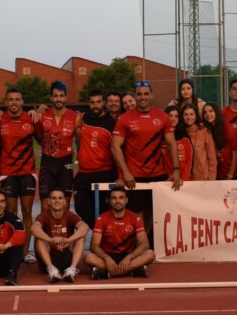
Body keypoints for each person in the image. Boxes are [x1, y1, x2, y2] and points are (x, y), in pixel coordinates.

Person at [111, 81, 183, 240]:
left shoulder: (162, 117)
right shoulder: (124, 118)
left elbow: (171, 144)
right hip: (134, 176)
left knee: (154, 212)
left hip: (158, 174)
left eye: (145, 93)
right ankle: (140, 245)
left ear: (151, 95)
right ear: (135, 96)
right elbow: (115, 147)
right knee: (137, 214)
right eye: (139, 94)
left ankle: (149, 243)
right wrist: (126, 172)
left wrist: (176, 170)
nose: (142, 97)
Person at [0, 88, 40, 264]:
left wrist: (39, 113)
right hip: (8, 173)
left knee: (27, 211)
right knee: (10, 212)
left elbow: (43, 140)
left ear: (22, 102)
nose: (14, 102)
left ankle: (25, 251)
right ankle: (11, 249)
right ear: (6, 102)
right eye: (10, 99)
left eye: (17, 99)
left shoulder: (30, 119)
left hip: (27, 172)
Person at [85, 189, 155, 280]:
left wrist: (130, 256)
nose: (118, 201)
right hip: (108, 256)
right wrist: (106, 258)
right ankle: (132, 271)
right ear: (110, 201)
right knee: (88, 258)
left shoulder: (135, 218)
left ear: (126, 200)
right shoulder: (102, 218)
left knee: (150, 254)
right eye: (114, 198)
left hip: (128, 256)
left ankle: (107, 273)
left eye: (121, 198)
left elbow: (144, 244)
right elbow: (94, 245)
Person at [73, 90, 117, 226]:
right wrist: (41, 109)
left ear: (104, 102)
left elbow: (117, 149)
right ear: (88, 103)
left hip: (104, 172)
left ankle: (103, 233)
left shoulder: (112, 123)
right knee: (80, 206)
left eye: (98, 102)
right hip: (84, 173)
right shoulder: (82, 118)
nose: (95, 105)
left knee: (104, 209)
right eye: (92, 102)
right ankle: (100, 231)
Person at [33, 189, 88, 283]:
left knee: (81, 237)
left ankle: (71, 269)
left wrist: (69, 240)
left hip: (66, 256)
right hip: (50, 256)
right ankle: (51, 269)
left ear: (64, 201)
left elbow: (84, 227)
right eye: (54, 198)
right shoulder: (44, 215)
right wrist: (50, 240)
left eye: (60, 198)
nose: (57, 201)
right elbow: (34, 228)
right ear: (49, 201)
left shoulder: (70, 215)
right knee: (38, 239)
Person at [37, 81, 78, 205]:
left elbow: (81, 141)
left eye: (61, 96)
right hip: (47, 162)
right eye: (55, 96)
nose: (58, 99)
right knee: (46, 204)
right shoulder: (42, 115)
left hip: (66, 163)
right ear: (51, 98)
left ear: (65, 97)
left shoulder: (75, 117)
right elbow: (37, 137)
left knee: (65, 204)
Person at [176, 105, 216, 181]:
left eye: (191, 114)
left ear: (196, 116)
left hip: (203, 178)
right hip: (184, 178)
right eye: (186, 115)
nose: (189, 117)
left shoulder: (204, 131)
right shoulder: (179, 133)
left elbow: (212, 158)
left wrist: (211, 179)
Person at [202, 103, 237, 180]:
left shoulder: (228, 128)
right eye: (205, 112)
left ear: (217, 112)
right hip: (217, 174)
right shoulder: (206, 130)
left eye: (210, 111)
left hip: (233, 175)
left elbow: (235, 154)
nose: (207, 114)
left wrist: (230, 175)